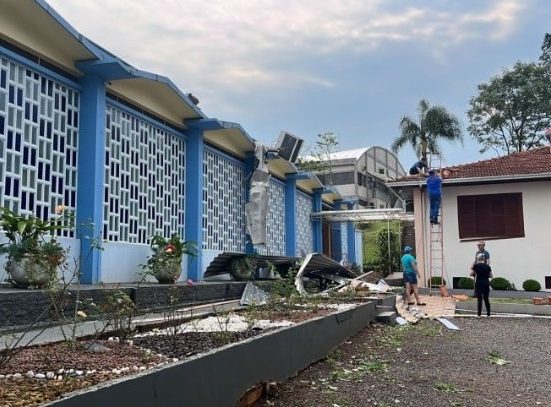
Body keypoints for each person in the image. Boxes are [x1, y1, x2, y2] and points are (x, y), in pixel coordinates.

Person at [470, 253, 493, 317]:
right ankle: (488, 314)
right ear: (484, 259)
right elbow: (491, 276)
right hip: (486, 283)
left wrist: (474, 268)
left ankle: (479, 315)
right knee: (486, 299)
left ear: (478, 259)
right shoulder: (488, 266)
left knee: (479, 299)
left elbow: (471, 274)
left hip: (479, 283)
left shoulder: (476, 266)